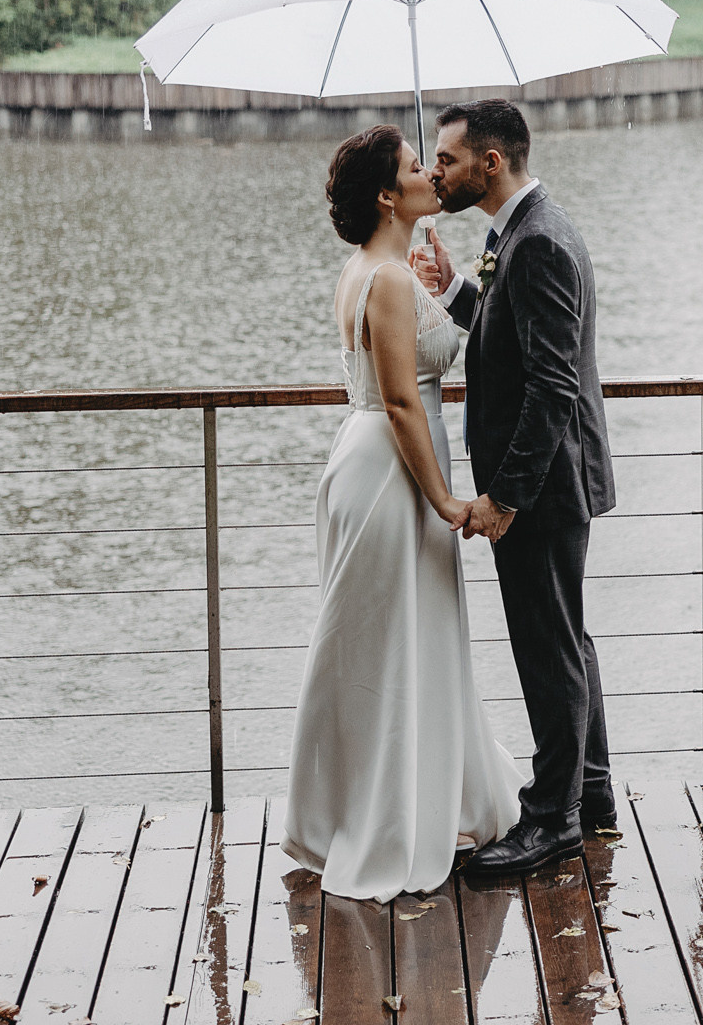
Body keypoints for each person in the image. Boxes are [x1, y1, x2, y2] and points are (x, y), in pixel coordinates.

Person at [282, 125, 525, 901]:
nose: (430, 174)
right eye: (416, 167)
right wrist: (445, 499)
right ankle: (391, 822)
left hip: (366, 461)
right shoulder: (387, 281)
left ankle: (400, 805)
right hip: (395, 471)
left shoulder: (374, 271)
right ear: (389, 195)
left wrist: (442, 287)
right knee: (392, 648)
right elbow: (399, 400)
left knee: (393, 642)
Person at [410, 98, 618, 880]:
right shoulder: (525, 232)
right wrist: (459, 288)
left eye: (449, 160)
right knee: (566, 639)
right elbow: (514, 336)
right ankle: (589, 794)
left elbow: (552, 385)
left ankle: (552, 822)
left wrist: (505, 496)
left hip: (544, 484)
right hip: (553, 479)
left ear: (490, 164)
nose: (438, 171)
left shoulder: (537, 244)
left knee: (547, 647)